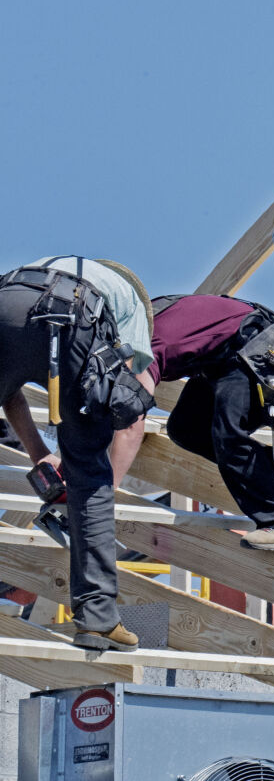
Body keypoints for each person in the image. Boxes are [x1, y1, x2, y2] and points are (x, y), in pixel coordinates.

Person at [0, 256, 156, 650]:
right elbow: (132, 408)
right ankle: (97, 620)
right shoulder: (131, 305)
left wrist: (38, 453)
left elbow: (11, 394)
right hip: (71, 318)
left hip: (5, 299)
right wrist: (93, 482)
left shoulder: (40, 267)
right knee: (91, 474)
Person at [148, 293, 274, 551]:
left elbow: (131, 402)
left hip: (255, 353)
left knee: (228, 436)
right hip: (222, 360)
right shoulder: (154, 317)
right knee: (184, 427)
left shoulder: (152, 339)